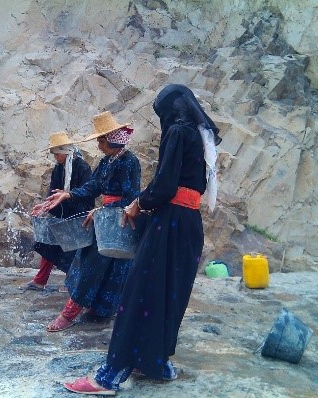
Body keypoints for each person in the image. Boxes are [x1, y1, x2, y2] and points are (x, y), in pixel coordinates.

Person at [62, 84, 222, 395]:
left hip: (170, 223)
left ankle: (110, 375)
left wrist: (139, 203)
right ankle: (156, 362)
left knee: (141, 293)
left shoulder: (177, 132)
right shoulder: (197, 137)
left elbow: (164, 186)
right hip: (189, 223)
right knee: (170, 294)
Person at [40, 111, 141, 332]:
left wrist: (105, 210)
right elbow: (94, 186)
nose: (98, 144)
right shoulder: (106, 161)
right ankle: (82, 309)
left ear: (113, 138)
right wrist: (69, 195)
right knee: (88, 264)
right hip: (104, 218)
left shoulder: (129, 162)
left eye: (101, 140)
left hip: (119, 221)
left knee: (106, 267)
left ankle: (85, 312)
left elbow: (131, 196)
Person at [27, 131, 94, 291]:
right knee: (48, 243)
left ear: (66, 151)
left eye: (57, 153)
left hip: (78, 214)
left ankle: (72, 283)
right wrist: (45, 205)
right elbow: (53, 193)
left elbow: (87, 191)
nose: (55, 157)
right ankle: (40, 280)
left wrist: (68, 198)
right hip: (62, 213)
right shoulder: (58, 169)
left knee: (74, 250)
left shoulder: (82, 167)